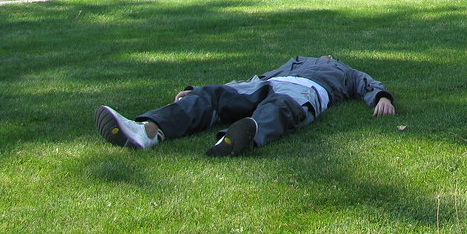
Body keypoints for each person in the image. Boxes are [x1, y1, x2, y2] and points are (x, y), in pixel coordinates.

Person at [95, 55, 395, 157]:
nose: (326, 57)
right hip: (266, 83)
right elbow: (257, 79)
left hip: (304, 91)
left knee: (279, 107)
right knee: (215, 96)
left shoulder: (343, 71)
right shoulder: (295, 61)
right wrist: (197, 91)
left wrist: (381, 97)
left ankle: (243, 133)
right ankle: (147, 131)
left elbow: (365, 83)